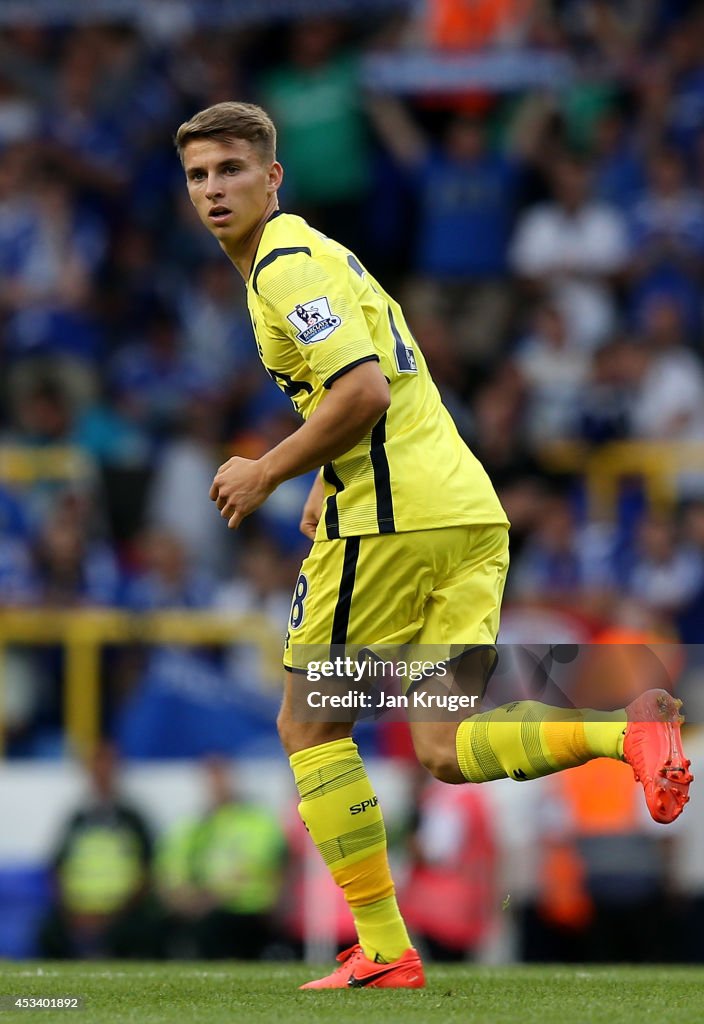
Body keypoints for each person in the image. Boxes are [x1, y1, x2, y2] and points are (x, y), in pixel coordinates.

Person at [175, 101, 692, 990]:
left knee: (309, 721)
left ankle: (382, 950)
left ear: (273, 177)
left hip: (393, 524)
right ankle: (626, 736)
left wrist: (269, 472)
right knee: (446, 747)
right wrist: (328, 474)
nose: (215, 190)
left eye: (231, 170)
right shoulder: (323, 258)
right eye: (198, 175)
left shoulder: (285, 269)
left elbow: (364, 391)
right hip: (463, 516)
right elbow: (386, 391)